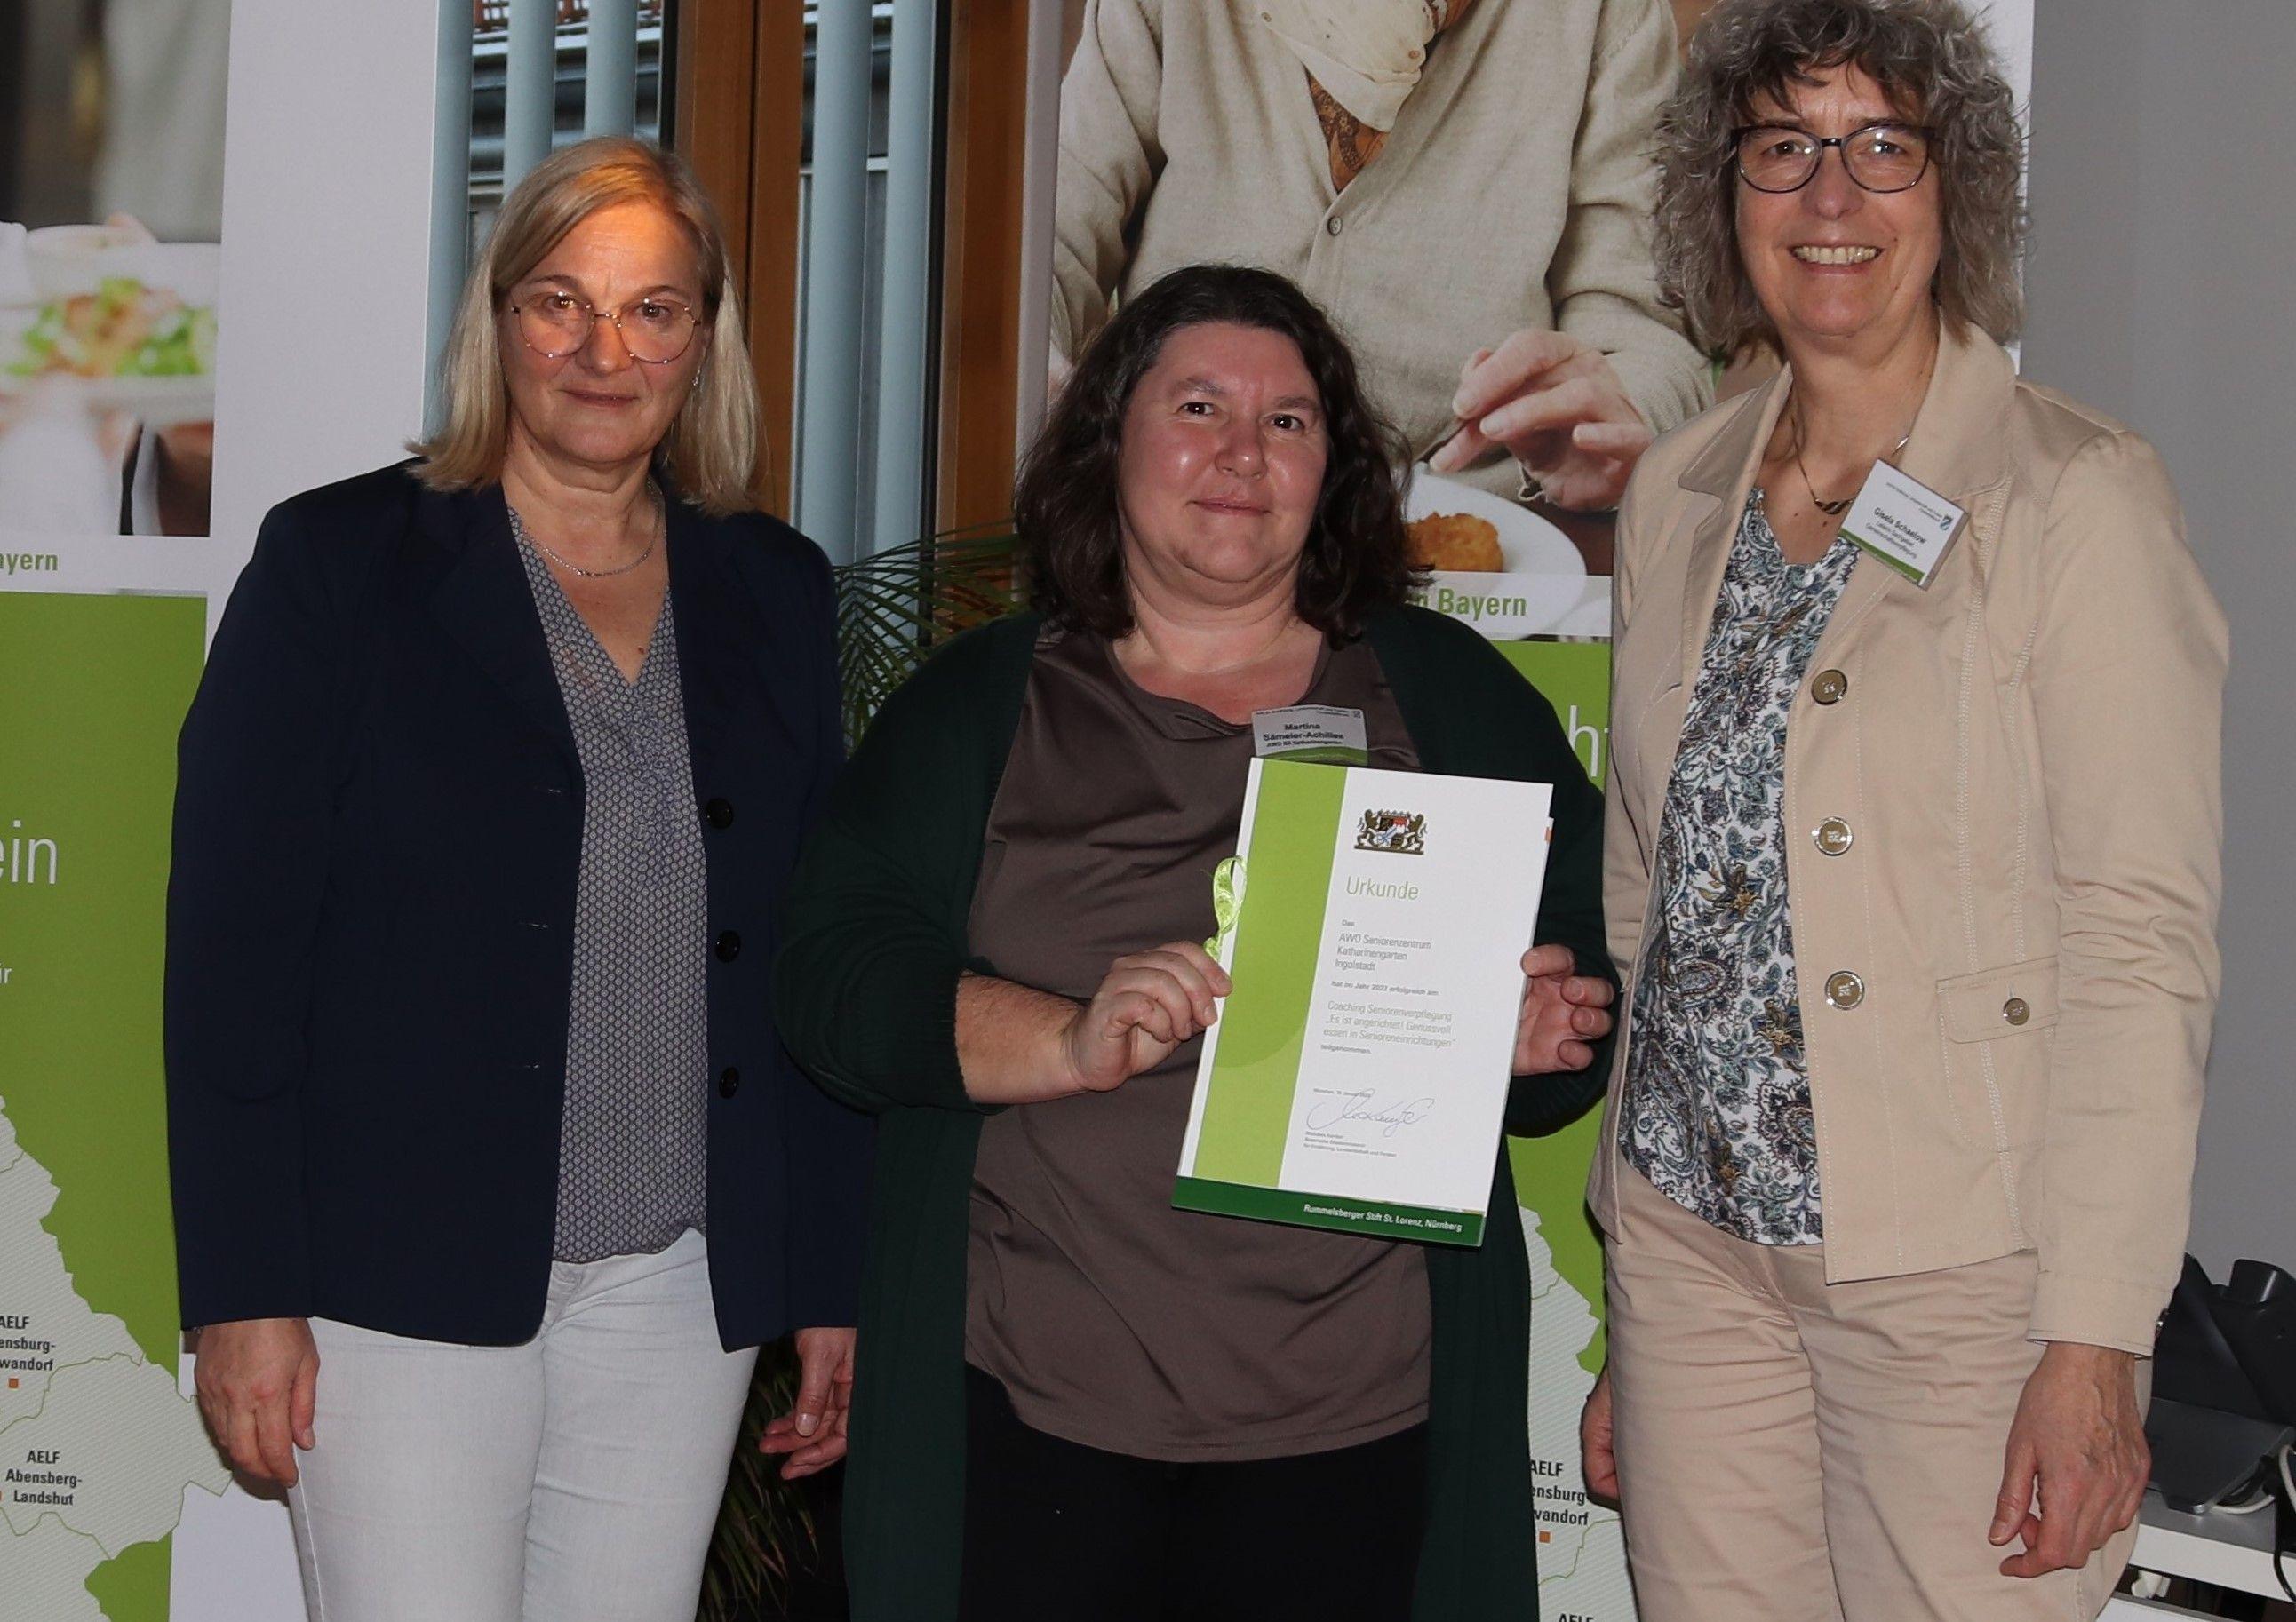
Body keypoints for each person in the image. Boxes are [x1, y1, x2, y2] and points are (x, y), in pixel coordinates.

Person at [774, 263, 1618, 1621]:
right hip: (1032, 1416)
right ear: (1110, 439)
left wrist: (1536, 1031)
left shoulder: (1449, 695)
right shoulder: (980, 705)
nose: (1243, 454)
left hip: (1361, 1427)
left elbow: (1582, 950)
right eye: (1200, 407)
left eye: (1288, 420)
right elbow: (831, 979)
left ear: (1335, 470)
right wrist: (1060, 1037)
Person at [164, 136, 872, 1622]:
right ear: (497, 322)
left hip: (675, 1289)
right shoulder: (339, 565)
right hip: (396, 1279)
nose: (604, 352)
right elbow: (232, 961)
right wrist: (242, 1292)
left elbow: (802, 953)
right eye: (561, 302)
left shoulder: (773, 588)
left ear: (705, 340)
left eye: (652, 310)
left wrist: (824, 1277)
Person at [1577, 4, 2227, 1618]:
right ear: (1723, 192)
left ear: (1955, 188)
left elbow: (2138, 940)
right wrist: (1626, 1303)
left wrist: (2092, 1341)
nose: (1829, 197)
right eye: (1782, 148)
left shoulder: (2074, 495)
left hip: (1955, 1284)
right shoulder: (1673, 493)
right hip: (1689, 1258)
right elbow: (1649, 893)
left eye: (1881, 146)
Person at [1052, 0, 1713, 516]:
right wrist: (1035, 384)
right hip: (1180, 521)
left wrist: (1616, 421)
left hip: (1470, 547)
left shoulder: (1604, 16)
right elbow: (1050, 246)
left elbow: (1650, 340)